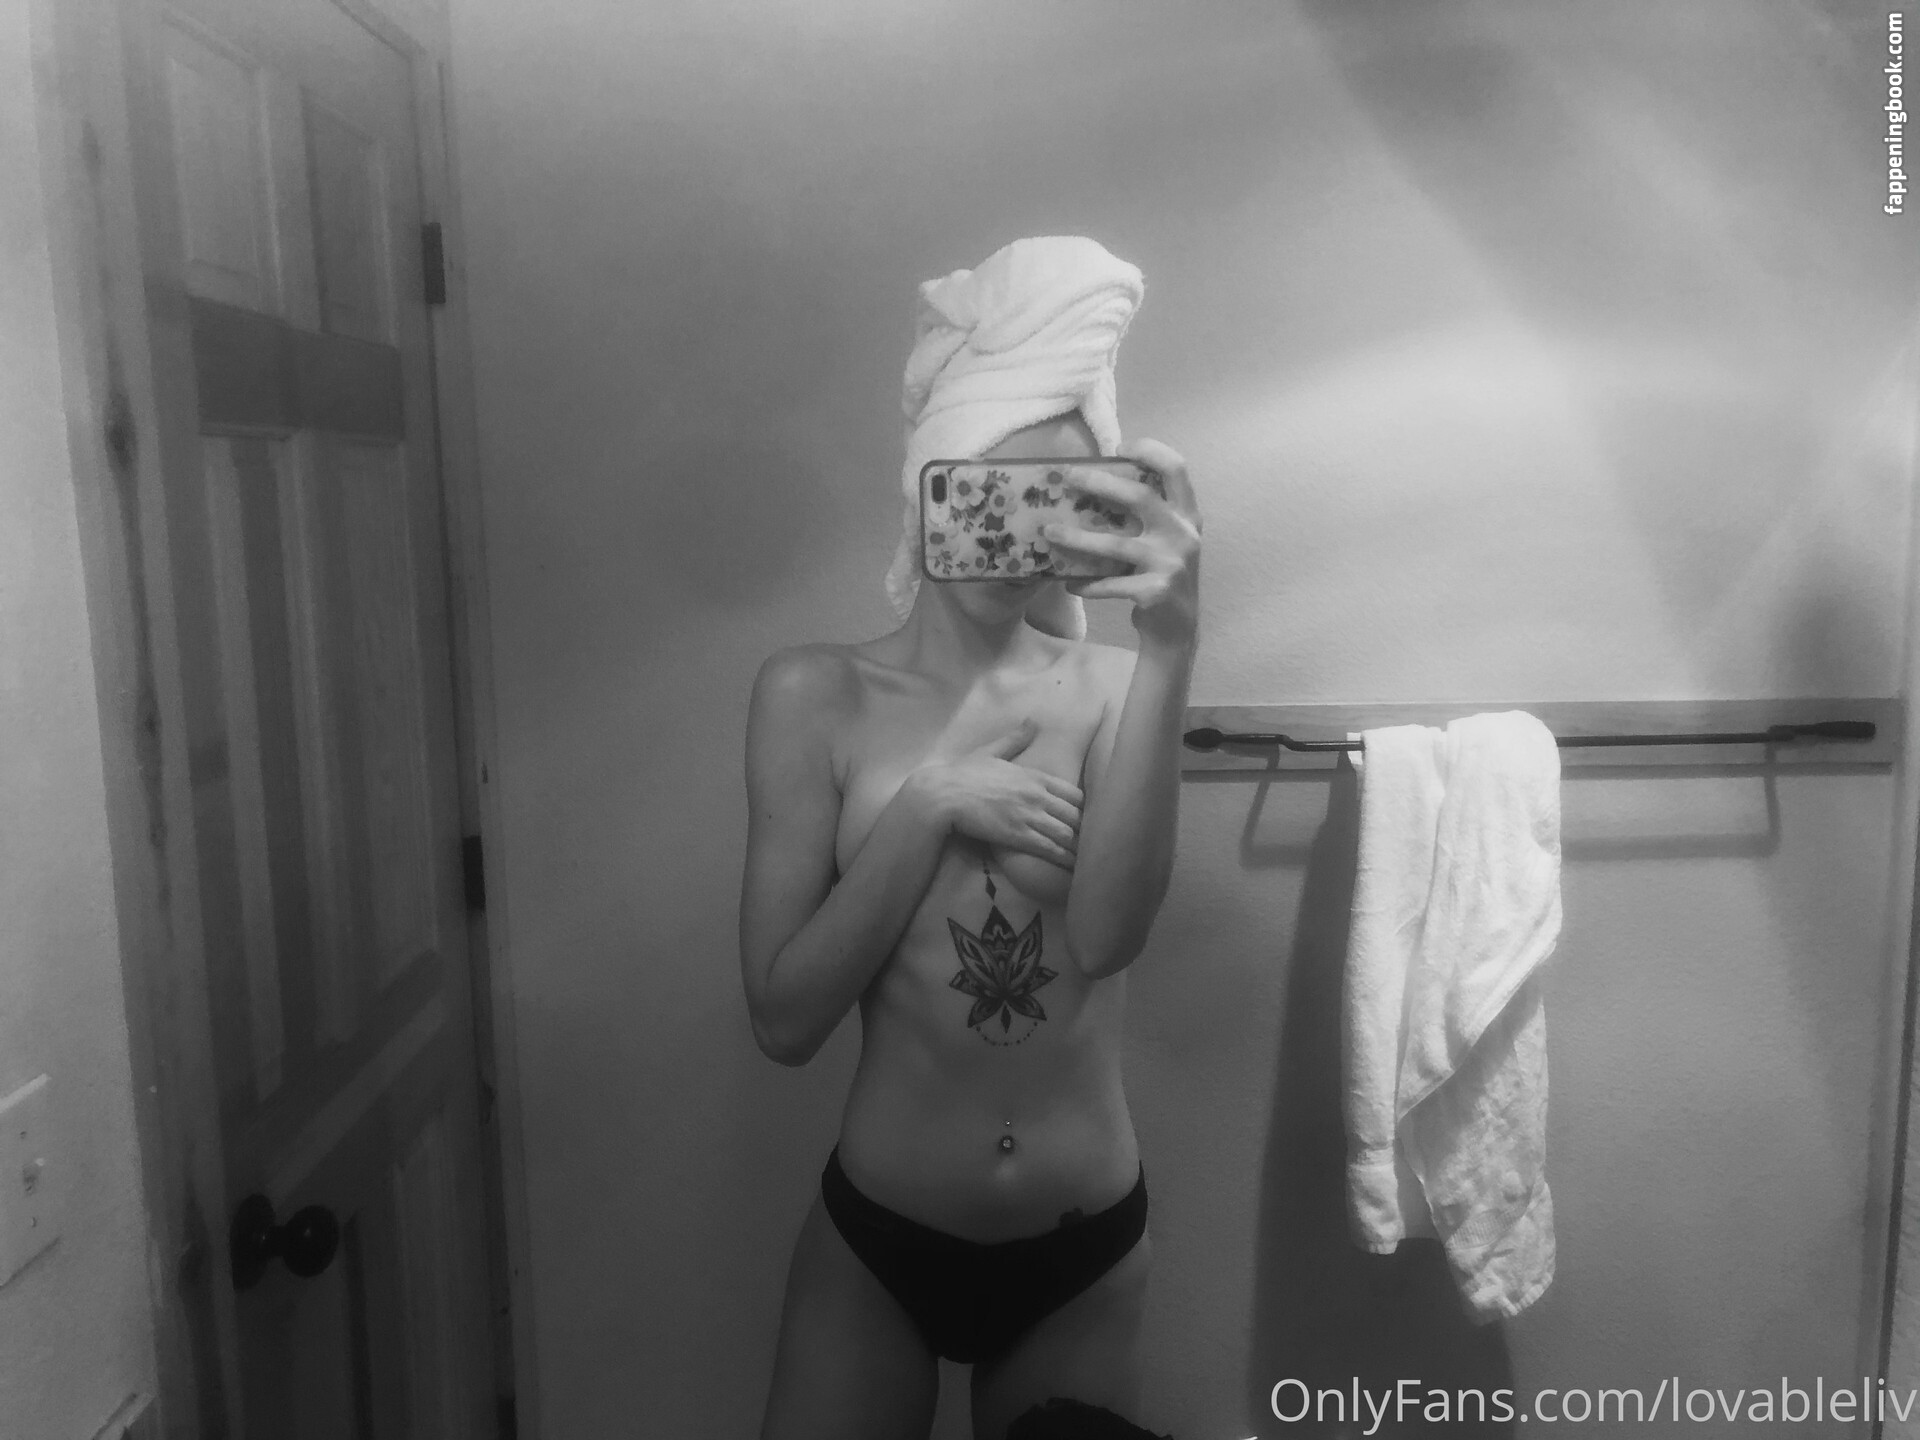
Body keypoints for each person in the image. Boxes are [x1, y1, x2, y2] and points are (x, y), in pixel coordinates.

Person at [740, 237, 1201, 1440]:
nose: (1016, 532)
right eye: (985, 492)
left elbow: (1107, 936)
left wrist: (1171, 650)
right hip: (878, 1246)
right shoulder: (814, 697)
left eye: (1055, 498)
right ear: (927, 486)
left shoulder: (1113, 688)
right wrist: (929, 806)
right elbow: (784, 1019)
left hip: (1083, 1252)